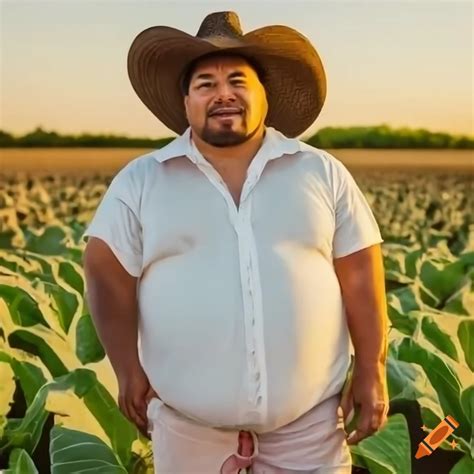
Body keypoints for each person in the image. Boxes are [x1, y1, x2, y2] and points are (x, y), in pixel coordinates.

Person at [82, 10, 389, 474]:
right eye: (205, 83)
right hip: (188, 435)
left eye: (238, 81)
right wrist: (126, 369)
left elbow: (361, 274)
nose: (223, 93)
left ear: (264, 97)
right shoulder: (142, 180)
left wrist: (372, 366)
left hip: (310, 433)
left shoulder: (320, 171)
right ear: (186, 102)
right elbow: (106, 271)